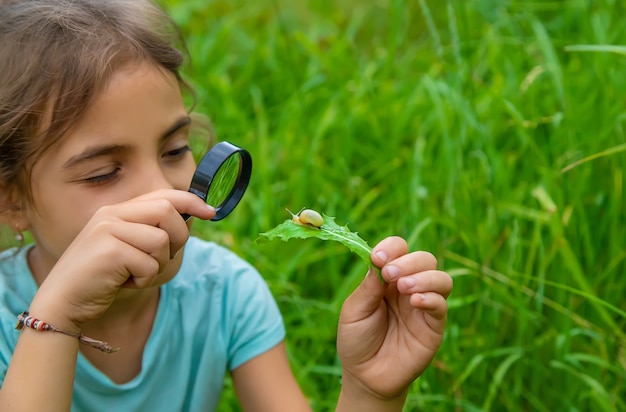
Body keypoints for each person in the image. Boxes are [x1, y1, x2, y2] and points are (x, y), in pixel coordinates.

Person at [0, 0, 453, 410]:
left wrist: (370, 392)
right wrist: (54, 317)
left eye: (175, 150)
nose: (165, 192)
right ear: (12, 201)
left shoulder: (224, 292)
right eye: (102, 173)